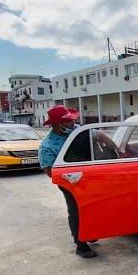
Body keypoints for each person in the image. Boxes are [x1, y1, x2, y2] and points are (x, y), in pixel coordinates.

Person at [39, 105, 97, 259]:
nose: (72, 123)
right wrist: (69, 179)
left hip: (89, 175)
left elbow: (99, 136)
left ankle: (90, 233)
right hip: (68, 181)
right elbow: (48, 169)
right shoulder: (48, 145)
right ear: (57, 124)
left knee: (92, 207)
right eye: (68, 122)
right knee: (75, 210)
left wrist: (118, 150)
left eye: (72, 120)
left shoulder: (78, 130)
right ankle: (80, 244)